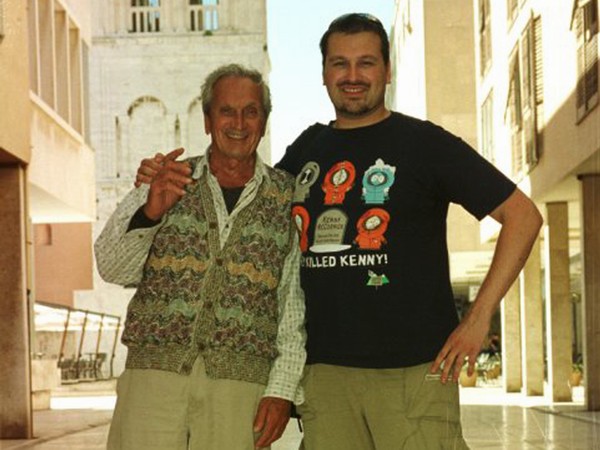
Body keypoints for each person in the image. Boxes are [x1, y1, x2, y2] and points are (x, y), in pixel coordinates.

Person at [135, 14, 543, 449]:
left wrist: (477, 320)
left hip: (411, 373)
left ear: (387, 70)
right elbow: (246, 201)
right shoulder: (306, 149)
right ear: (324, 73)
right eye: (339, 64)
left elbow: (523, 217)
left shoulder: (425, 144)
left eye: (366, 63)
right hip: (324, 378)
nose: (352, 76)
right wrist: (161, 182)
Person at [95, 64, 306, 450]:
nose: (238, 123)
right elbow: (111, 266)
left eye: (251, 112)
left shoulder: (287, 198)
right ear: (207, 120)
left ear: (264, 121)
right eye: (226, 111)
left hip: (238, 390)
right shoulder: (167, 178)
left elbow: (292, 305)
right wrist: (150, 214)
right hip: (152, 385)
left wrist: (281, 389)